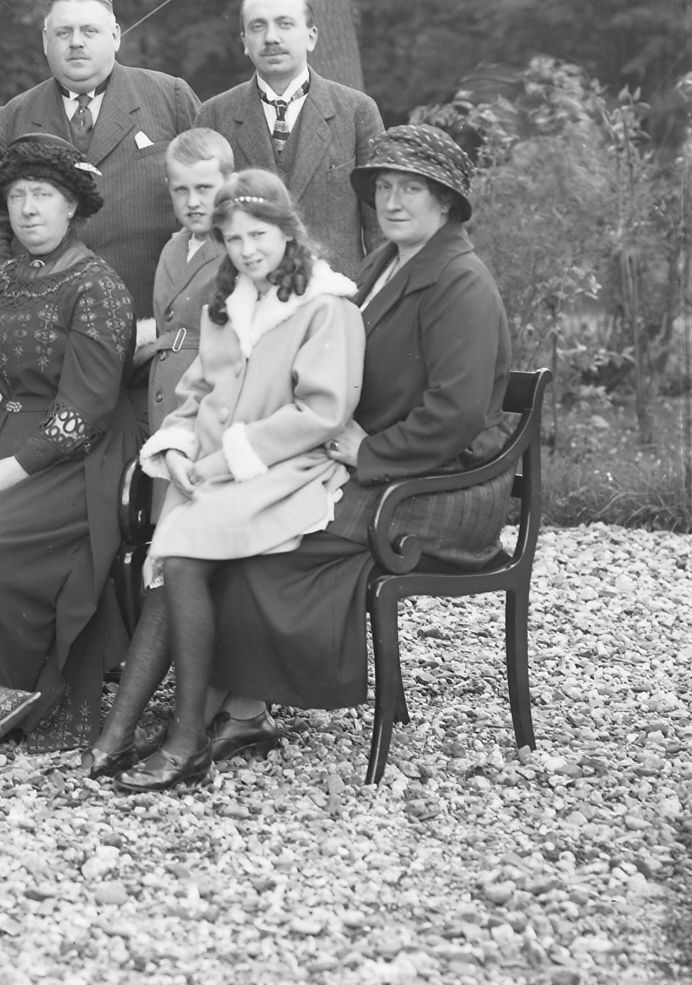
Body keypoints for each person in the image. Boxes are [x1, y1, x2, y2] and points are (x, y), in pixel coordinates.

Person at [202, 125, 513, 742]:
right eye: (385, 187)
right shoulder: (385, 263)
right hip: (390, 467)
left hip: (446, 489)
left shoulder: (461, 281)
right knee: (239, 518)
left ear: (446, 201)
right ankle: (217, 708)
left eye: (411, 189)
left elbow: (456, 413)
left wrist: (370, 451)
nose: (392, 202)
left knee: (270, 533)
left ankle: (240, 711)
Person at [87, 170, 364, 793]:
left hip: (290, 471)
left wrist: (223, 461)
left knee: (180, 557)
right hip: (218, 474)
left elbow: (321, 414)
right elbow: (195, 396)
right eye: (234, 239)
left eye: (259, 235)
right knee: (173, 558)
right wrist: (178, 446)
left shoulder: (326, 307)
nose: (247, 250)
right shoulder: (226, 305)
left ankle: (185, 738)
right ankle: (118, 735)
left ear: (289, 232)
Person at [0, 134, 144, 749]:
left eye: (43, 195)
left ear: (71, 205)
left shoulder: (97, 286)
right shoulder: (2, 280)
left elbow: (85, 412)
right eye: (17, 196)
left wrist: (0, 476)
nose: (27, 209)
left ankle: (13, 692)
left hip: (79, 459)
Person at [0, 0, 200, 365]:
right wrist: (8, 312)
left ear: (115, 36)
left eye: (89, 31)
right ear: (46, 41)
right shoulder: (13, 118)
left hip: (156, 330)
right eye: (64, 32)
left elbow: (212, 202)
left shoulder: (169, 97)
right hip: (49, 338)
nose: (76, 42)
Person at [195, 0, 384, 277]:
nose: (271, 38)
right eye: (258, 26)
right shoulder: (214, 116)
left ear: (311, 36)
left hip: (336, 294)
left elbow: (379, 230)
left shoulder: (357, 111)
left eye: (285, 24)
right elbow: (205, 226)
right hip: (247, 293)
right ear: (244, 41)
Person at [137, 128, 234, 517]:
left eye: (205, 188)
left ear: (228, 183)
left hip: (207, 396)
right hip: (166, 391)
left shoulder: (236, 248)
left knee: (197, 509)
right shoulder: (173, 246)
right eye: (181, 190)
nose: (193, 202)